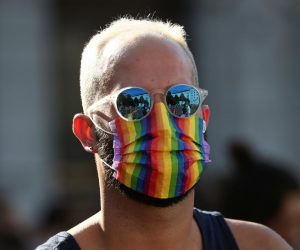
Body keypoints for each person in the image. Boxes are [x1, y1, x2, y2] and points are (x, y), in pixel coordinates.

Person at [36, 17, 291, 250]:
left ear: (203, 118)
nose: (161, 120)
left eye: (182, 100)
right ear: (87, 132)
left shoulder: (259, 245)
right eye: (133, 103)